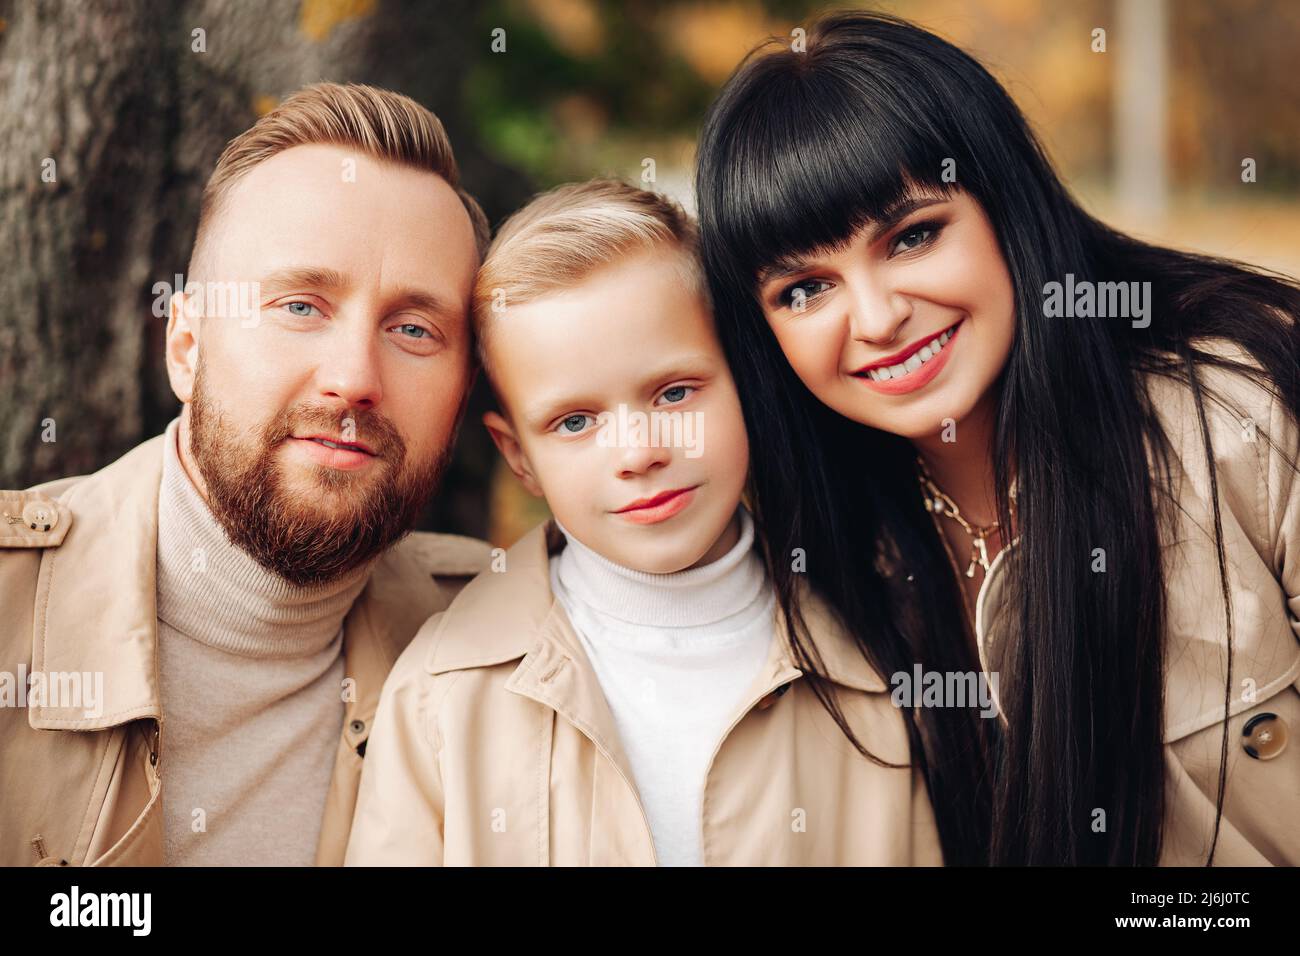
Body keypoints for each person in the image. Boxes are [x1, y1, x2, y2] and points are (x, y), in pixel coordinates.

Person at [694, 10, 1300, 865]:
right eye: (803, 289)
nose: (876, 319)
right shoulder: (832, 553)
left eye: (913, 236)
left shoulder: (1246, 412)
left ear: (1006, 203)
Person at [344, 180, 942, 865]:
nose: (638, 453)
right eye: (575, 422)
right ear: (519, 457)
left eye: (675, 393)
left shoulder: (874, 665)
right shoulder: (441, 693)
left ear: (745, 380)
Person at [0, 82, 493, 866]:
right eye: (301, 306)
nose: (353, 377)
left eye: (412, 327)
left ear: (462, 395)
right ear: (186, 349)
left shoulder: (498, 640)